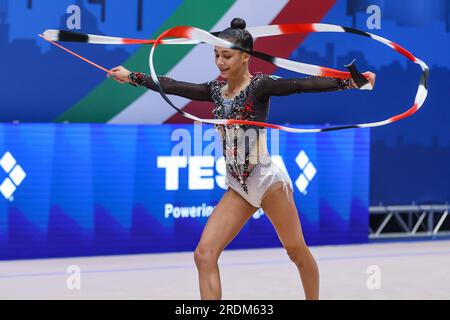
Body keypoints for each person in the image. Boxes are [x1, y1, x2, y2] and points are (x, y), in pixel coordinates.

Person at [108, 17, 376, 300]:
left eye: (227, 56)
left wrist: (350, 83)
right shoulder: (214, 91)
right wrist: (132, 76)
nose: (220, 62)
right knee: (204, 255)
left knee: (296, 251)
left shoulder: (259, 87)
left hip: (267, 181)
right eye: (216, 55)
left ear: (245, 57)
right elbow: (173, 85)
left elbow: (301, 84)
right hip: (238, 185)